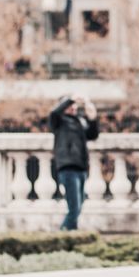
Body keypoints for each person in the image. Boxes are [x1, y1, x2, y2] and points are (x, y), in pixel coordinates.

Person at [48, 94, 98, 231]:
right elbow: (54, 112)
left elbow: (92, 135)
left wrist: (92, 118)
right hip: (67, 167)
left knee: (79, 206)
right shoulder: (58, 121)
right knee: (74, 208)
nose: (73, 107)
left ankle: (71, 235)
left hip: (81, 168)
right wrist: (72, 98)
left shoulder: (79, 121)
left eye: (74, 106)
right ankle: (64, 235)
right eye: (70, 105)